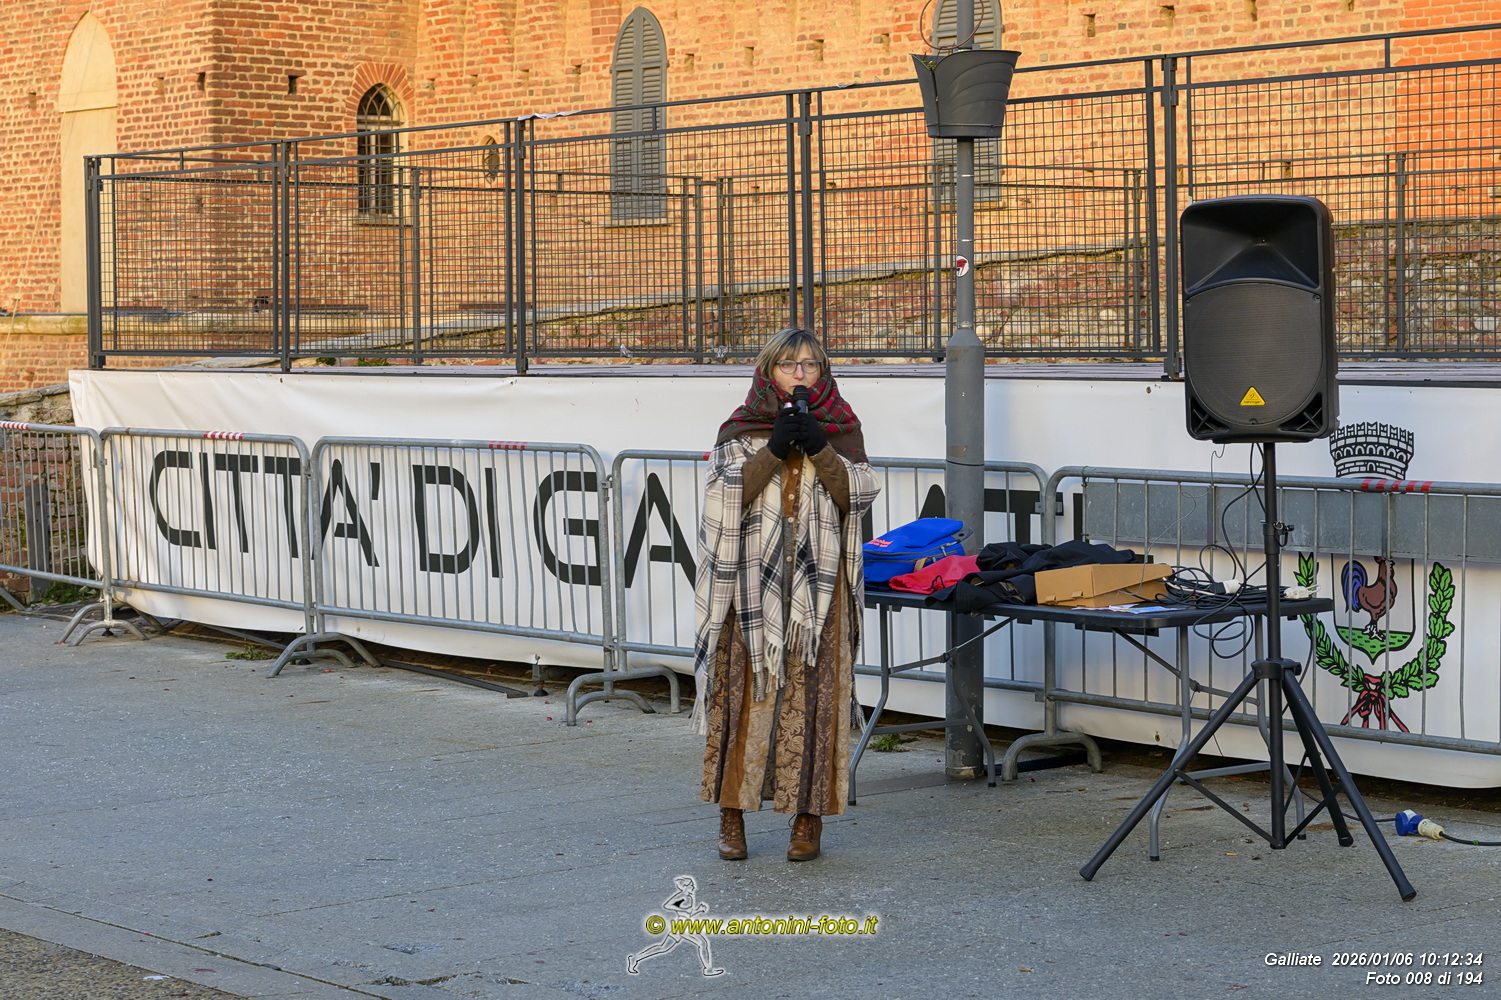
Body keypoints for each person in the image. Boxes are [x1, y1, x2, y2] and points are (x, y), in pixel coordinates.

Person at [692, 327, 879, 862]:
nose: (800, 374)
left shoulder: (842, 428)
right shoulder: (740, 428)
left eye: (810, 365)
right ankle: (732, 815)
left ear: (823, 373)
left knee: (816, 702)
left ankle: (808, 820)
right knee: (743, 699)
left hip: (820, 590)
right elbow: (722, 496)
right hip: (751, 584)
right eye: (788, 364)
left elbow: (858, 494)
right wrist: (773, 449)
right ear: (768, 371)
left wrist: (819, 447)